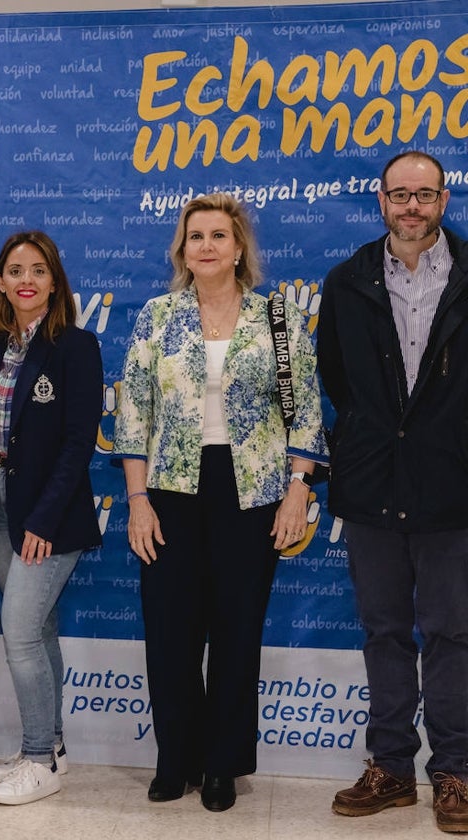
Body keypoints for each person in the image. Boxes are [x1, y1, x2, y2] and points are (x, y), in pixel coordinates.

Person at [112, 193, 326, 812]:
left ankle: (222, 765)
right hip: (170, 492)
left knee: (236, 634)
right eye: (194, 236)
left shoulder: (278, 321)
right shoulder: (157, 316)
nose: (205, 245)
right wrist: (138, 500)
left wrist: (296, 491)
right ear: (183, 250)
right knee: (170, 634)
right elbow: (133, 415)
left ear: (238, 249)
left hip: (252, 491)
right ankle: (175, 758)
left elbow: (305, 413)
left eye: (218, 235)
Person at [318, 150, 468, 833]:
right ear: (380, 200)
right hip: (371, 483)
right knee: (384, 633)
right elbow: (336, 382)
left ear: (444, 199)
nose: (412, 206)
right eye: (399, 195)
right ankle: (391, 769)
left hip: (454, 488)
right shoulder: (347, 281)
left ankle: (456, 773)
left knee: (451, 633)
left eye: (425, 195)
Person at [0, 231, 102, 806]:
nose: (26, 279)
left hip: (51, 512)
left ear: (54, 280)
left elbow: (77, 446)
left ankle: (39, 759)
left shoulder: (76, 346)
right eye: (15, 269)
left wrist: (43, 521)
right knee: (38, 629)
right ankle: (53, 747)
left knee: (19, 633)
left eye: (38, 270)